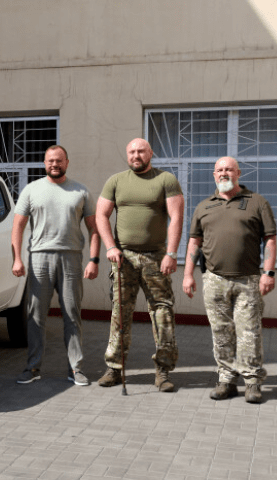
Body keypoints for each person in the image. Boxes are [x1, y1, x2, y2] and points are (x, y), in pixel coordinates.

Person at [183, 156, 276, 404]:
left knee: (249, 333)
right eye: (220, 170)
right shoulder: (204, 206)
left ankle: (252, 383)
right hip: (214, 279)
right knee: (221, 333)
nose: (224, 173)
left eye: (229, 169)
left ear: (238, 173)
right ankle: (226, 380)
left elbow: (269, 240)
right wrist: (187, 274)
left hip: (248, 280)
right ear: (214, 175)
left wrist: (268, 272)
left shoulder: (257, 203)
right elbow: (194, 242)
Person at [96, 138, 184, 392]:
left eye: (141, 151)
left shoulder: (166, 179)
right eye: (132, 151)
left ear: (150, 153)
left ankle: (163, 371)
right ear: (127, 155)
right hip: (123, 258)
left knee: (162, 312)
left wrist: (171, 253)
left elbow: (176, 217)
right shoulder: (116, 181)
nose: (136, 155)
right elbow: (101, 214)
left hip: (156, 257)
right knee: (119, 313)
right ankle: (114, 368)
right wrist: (110, 247)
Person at [12, 145, 100, 385]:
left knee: (72, 314)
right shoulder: (32, 190)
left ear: (67, 163)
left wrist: (94, 259)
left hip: (71, 258)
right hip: (39, 258)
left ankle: (75, 368)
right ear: (44, 163)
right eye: (50, 160)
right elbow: (18, 226)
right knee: (36, 316)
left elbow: (94, 228)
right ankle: (32, 367)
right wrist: (17, 258)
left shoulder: (80, 191)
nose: (54, 164)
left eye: (59, 160)